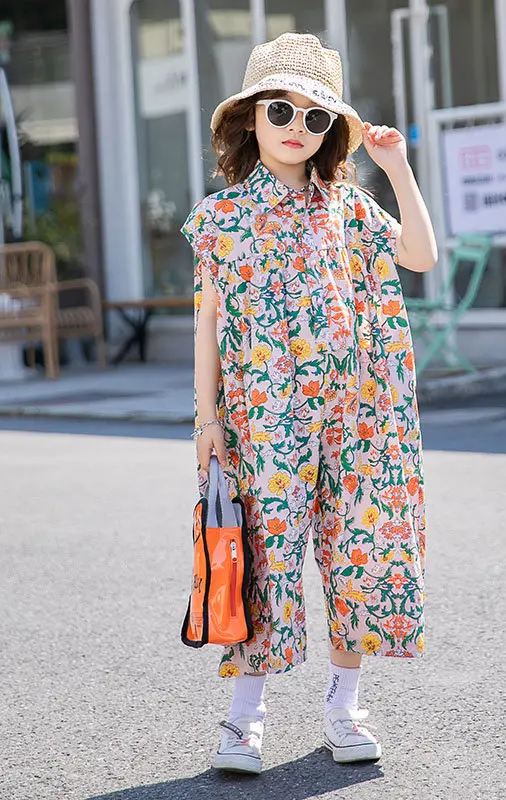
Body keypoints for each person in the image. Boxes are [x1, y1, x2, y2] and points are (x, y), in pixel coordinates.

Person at [182, 32, 437, 774]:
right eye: (281, 109)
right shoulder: (222, 217)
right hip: (263, 416)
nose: (297, 126)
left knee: (361, 548)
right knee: (263, 557)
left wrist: (397, 167)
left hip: (359, 413)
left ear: (331, 132)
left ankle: (344, 708)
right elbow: (208, 323)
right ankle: (244, 720)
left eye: (316, 115)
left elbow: (420, 256)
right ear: (251, 117)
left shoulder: (349, 208)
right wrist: (207, 419)